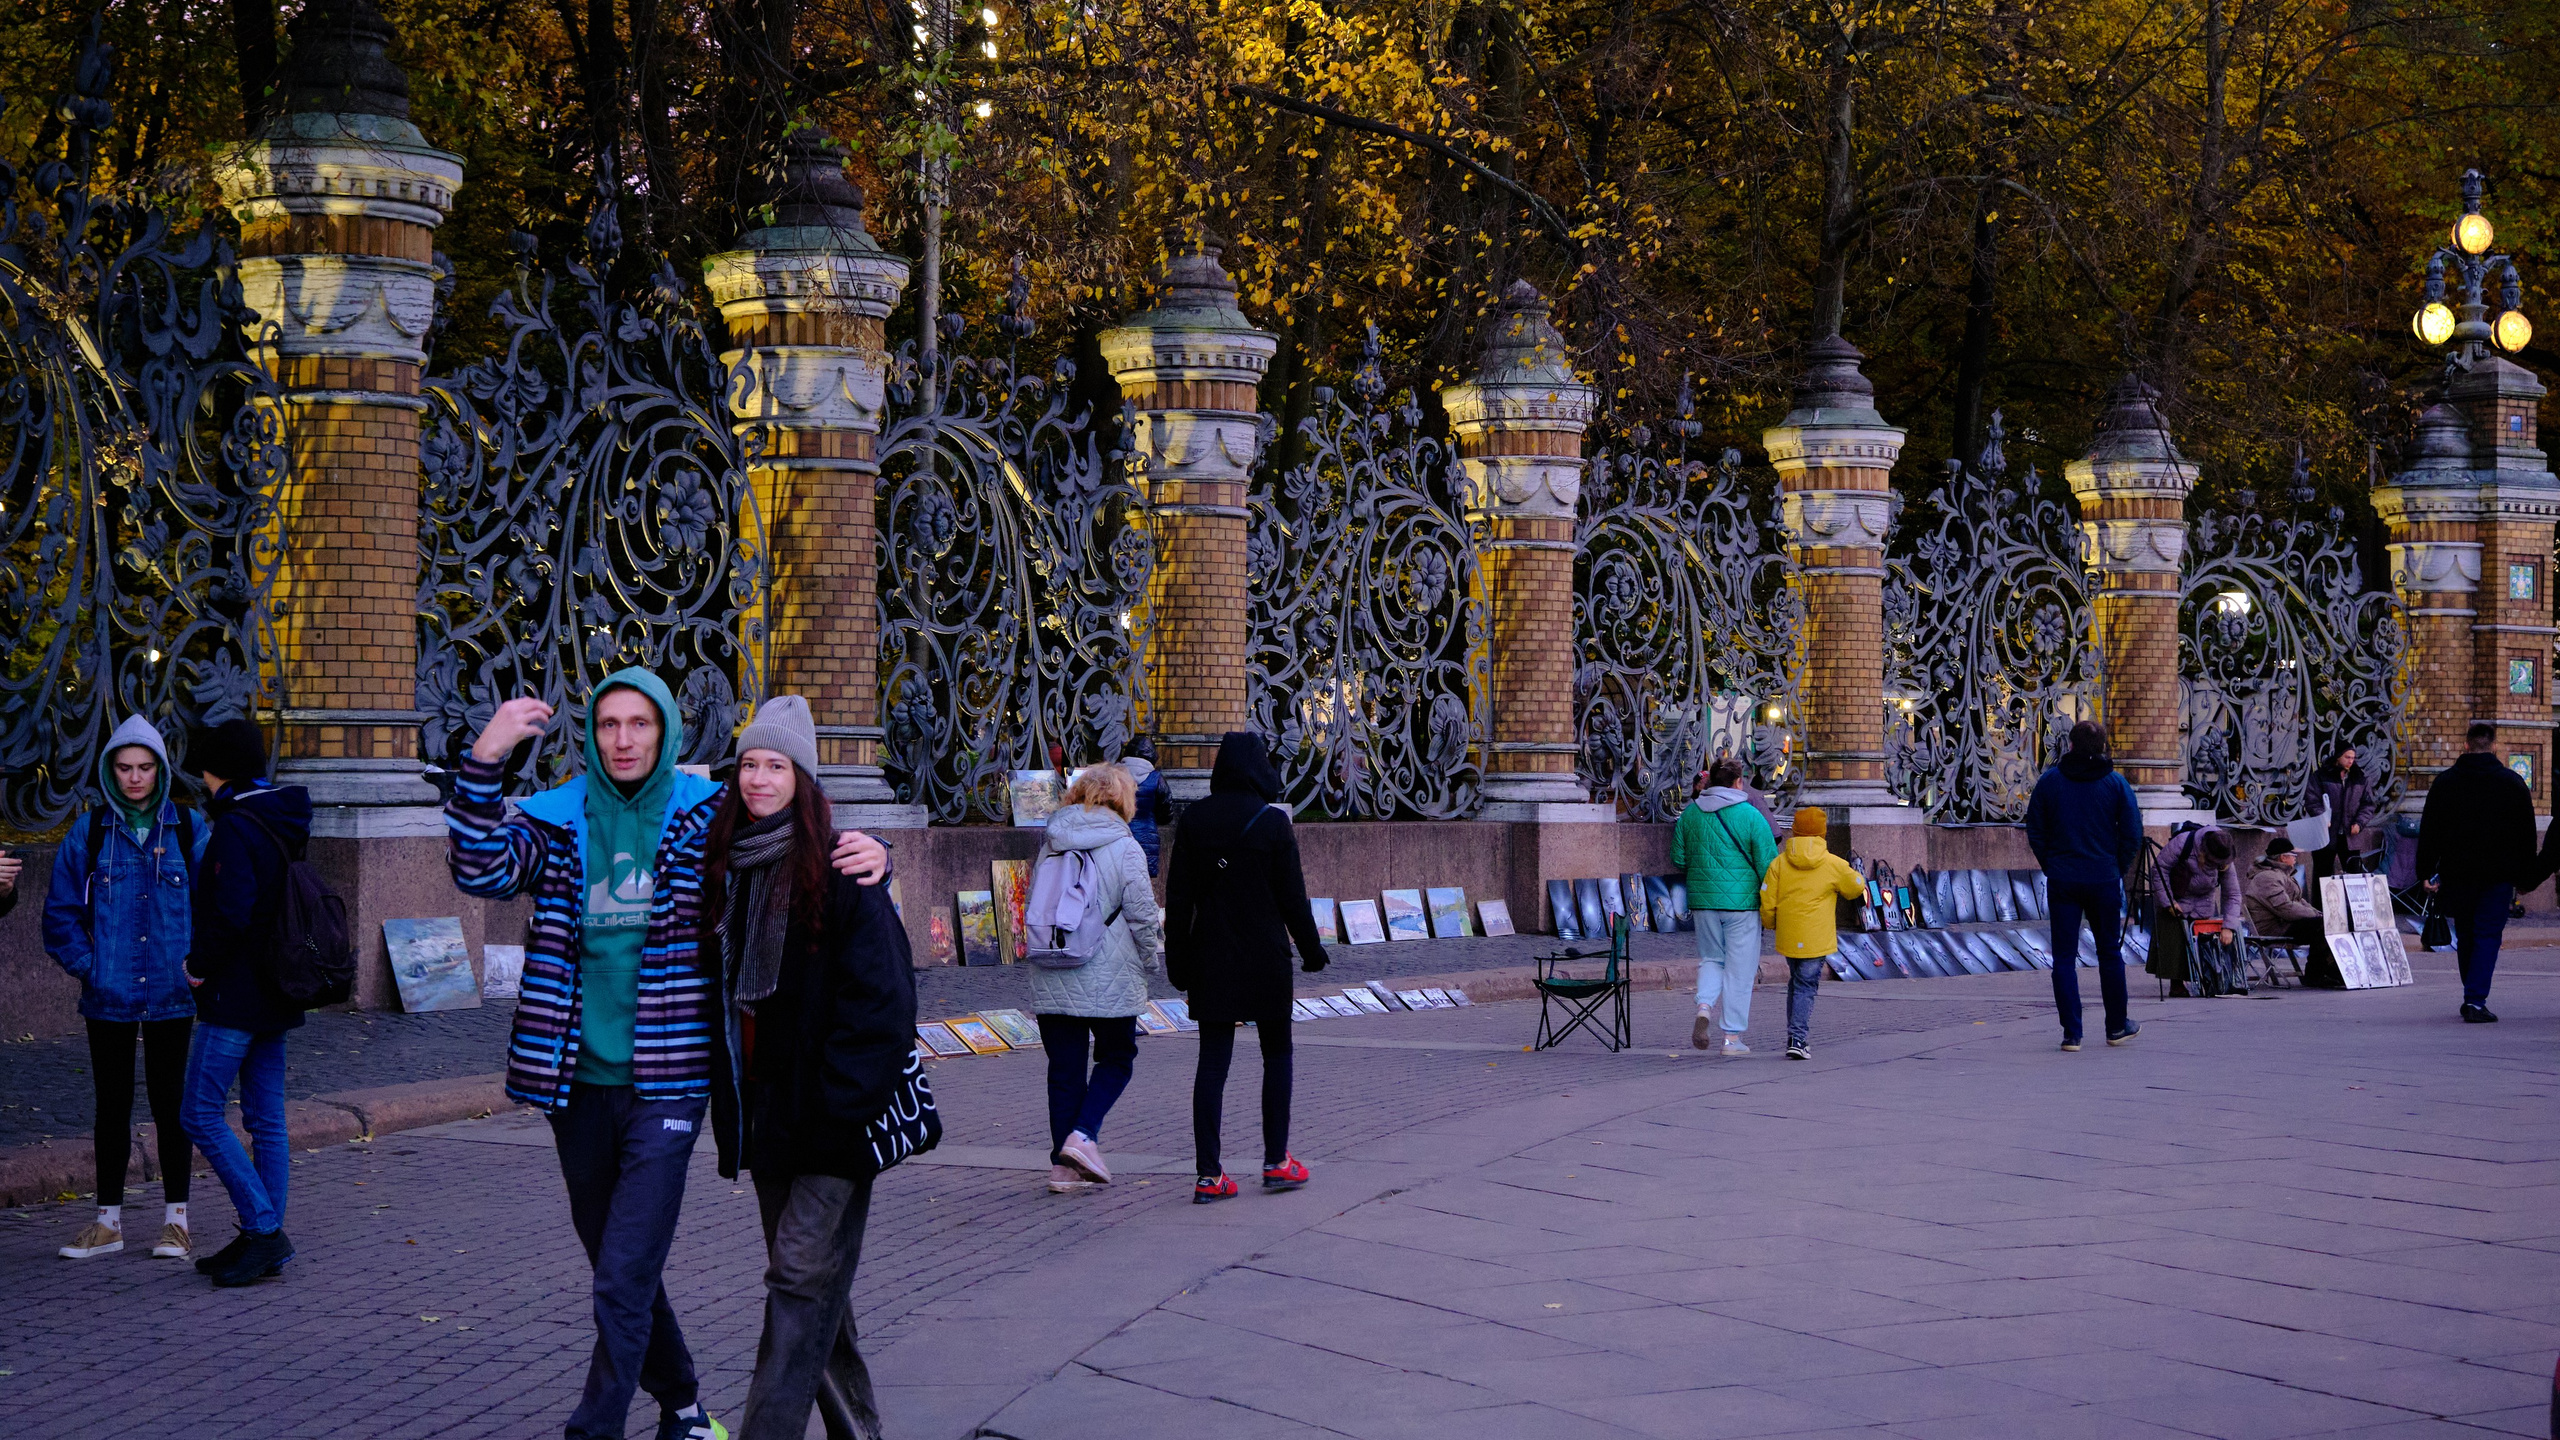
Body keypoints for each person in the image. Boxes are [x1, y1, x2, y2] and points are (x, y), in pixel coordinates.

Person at [447, 673, 891, 1440]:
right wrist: (488, 753)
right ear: (591, 736)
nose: (623, 739)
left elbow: (787, 831)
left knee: (625, 1270)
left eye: (639, 725)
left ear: (664, 736)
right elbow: (480, 868)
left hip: (671, 1080)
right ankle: (683, 1403)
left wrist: (875, 851)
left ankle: (595, 1428)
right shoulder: (554, 824)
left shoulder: (702, 821)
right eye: (610, 724)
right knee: (617, 1266)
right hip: (575, 1080)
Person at [698, 696, 922, 1440]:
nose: (759, 779)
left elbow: (884, 1006)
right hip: (765, 1115)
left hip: (831, 1121)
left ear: (804, 777)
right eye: (749, 765)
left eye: (775, 766)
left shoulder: (844, 871)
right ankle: (859, 1429)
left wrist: (840, 1108)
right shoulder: (726, 865)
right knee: (814, 1287)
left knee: (796, 1277)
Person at [41, 716, 208, 1260]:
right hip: (108, 995)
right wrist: (91, 966)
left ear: (159, 769)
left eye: (144, 767)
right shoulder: (89, 832)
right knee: (111, 1106)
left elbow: (216, 902)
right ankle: (107, 1223)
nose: (134, 778)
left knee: (171, 1105)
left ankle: (176, 1222)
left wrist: (198, 964)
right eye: (124, 768)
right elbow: (61, 913)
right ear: (110, 771)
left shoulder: (187, 827)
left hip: (172, 992)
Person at [176, 718, 311, 1287]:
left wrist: (196, 966)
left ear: (216, 769)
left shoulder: (235, 825)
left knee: (198, 1112)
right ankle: (265, 1240)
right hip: (276, 988)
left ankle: (262, 1229)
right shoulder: (278, 814)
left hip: (234, 994)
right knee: (266, 1119)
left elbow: (231, 914)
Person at [1164, 732, 1327, 1202]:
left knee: (1212, 1062)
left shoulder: (1194, 820)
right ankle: (1277, 1161)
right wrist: (1313, 952)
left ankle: (1208, 1175)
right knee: (1277, 1054)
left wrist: (1179, 966)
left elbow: (1179, 902)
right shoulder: (1273, 823)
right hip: (1266, 959)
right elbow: (1292, 900)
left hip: (1211, 959)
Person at [1026, 763, 1163, 1195]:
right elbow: (1142, 916)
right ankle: (1083, 1136)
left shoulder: (1050, 842)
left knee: (1064, 1071)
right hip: (1112, 973)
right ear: (1124, 799)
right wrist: (1151, 963)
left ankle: (1062, 1169)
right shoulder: (1126, 847)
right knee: (1117, 1059)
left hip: (1053, 966)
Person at [2023, 720, 2145, 1051]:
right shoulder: (2116, 784)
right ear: (2105, 748)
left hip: (2063, 877)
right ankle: (2117, 1027)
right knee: (2109, 952)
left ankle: (2072, 1034)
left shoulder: (2050, 782)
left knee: (2063, 956)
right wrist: (2115, 867)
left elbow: (2035, 829)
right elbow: (2133, 833)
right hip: (2104, 878)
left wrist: (2051, 864)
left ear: (2071, 746)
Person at [2416, 721, 2537, 1023]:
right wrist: (2526, 877)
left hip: (2458, 873)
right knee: (2487, 934)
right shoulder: (2512, 783)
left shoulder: (2445, 782)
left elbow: (2430, 830)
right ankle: (2475, 998)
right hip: (2498, 875)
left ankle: (2472, 992)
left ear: (2466, 745)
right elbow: (2527, 835)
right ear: (2494, 746)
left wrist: (2425, 871)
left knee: (2467, 933)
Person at [1669, 756, 1777, 1055]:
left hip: (1703, 902)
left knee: (1711, 959)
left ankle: (1704, 1005)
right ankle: (1731, 1038)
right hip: (1742, 905)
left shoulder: (1690, 814)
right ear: (1738, 782)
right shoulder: (1751, 816)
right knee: (1739, 970)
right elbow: (1768, 864)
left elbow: (1678, 858)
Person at [1756, 808, 1863, 1061]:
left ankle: (1794, 1035)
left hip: (1789, 937)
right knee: (1805, 986)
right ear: (1822, 834)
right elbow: (1855, 887)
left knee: (1796, 983)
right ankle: (1797, 1039)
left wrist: (1771, 924)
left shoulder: (1779, 863)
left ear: (1794, 831)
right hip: (1816, 939)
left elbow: (1767, 899)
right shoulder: (1832, 863)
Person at [2148, 824, 2245, 997]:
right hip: (2177, 895)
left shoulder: (2225, 856)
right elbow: (2159, 870)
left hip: (2203, 900)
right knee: (2174, 938)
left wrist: (2228, 926)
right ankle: (2176, 982)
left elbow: (2232, 894)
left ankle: (2209, 980)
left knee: (2204, 942)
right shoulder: (2182, 843)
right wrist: (2168, 901)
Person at [2309, 745, 2379, 879]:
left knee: (2354, 876)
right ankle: (2321, 901)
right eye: (2347, 757)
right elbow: (2312, 799)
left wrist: (2359, 823)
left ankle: (2351, 900)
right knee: (2323, 876)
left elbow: (2368, 804)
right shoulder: (2321, 775)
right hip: (2326, 833)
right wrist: (2322, 817)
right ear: (2338, 757)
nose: (2350, 761)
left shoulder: (2359, 777)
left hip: (2350, 835)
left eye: (2353, 758)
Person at [1120, 737, 1174, 878]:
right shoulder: (1157, 779)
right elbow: (1166, 812)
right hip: (1147, 838)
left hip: (1119, 835)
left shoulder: (1114, 776)